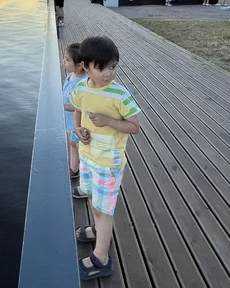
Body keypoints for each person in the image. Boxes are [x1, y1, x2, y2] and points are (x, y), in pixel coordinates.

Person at [69, 37, 141, 281]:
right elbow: (78, 109)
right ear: (84, 66)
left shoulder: (120, 95)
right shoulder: (80, 88)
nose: (109, 73)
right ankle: (97, 230)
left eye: (113, 66)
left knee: (102, 210)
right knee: (92, 199)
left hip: (108, 163)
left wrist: (109, 121)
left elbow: (134, 126)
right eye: (101, 67)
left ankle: (101, 258)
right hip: (88, 156)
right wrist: (78, 129)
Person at [63, 43, 88, 179]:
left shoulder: (82, 84)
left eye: (67, 60)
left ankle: (86, 180)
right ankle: (74, 169)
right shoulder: (70, 76)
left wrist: (62, 106)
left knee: (81, 149)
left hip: (78, 123)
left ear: (79, 65)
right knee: (73, 145)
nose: (64, 62)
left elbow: (82, 107)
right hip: (69, 121)